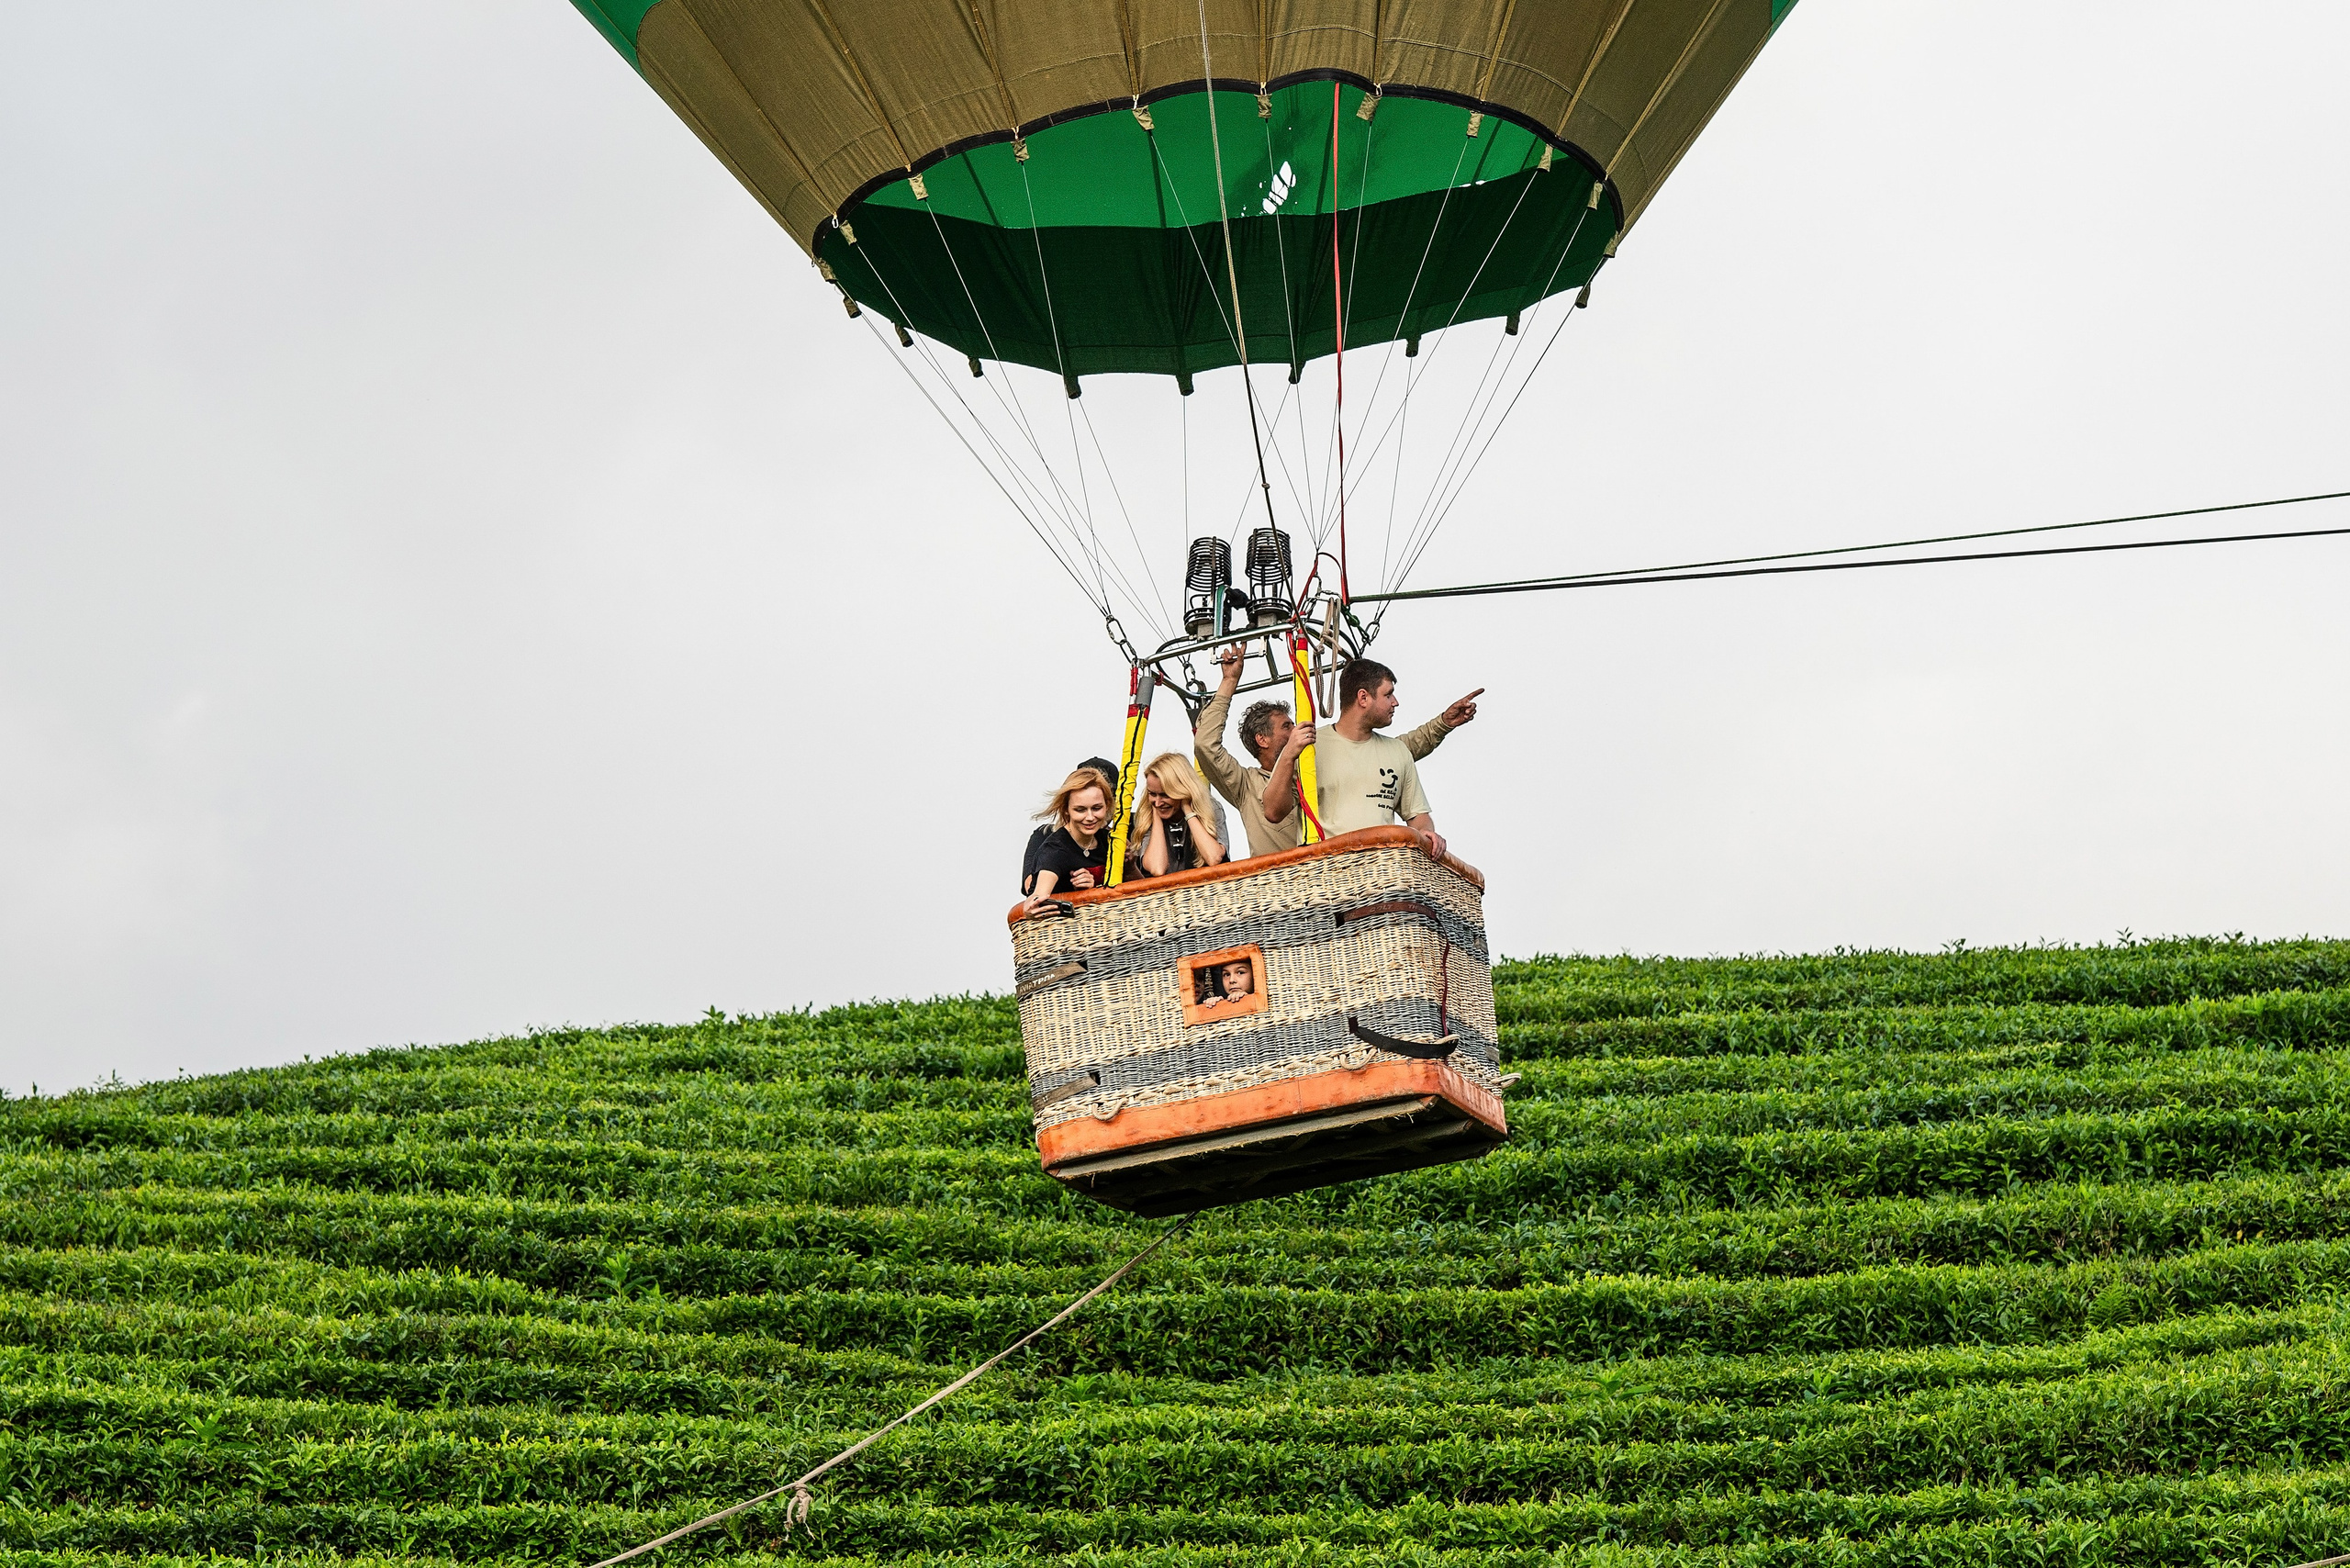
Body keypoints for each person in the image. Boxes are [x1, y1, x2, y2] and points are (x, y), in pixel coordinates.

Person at [1194, 644, 1480, 857]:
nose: (1297, 730)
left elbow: (1390, 753)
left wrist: (1443, 723)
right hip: (1283, 896)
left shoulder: (1319, 751)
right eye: (1286, 727)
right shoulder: (1248, 785)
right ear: (1262, 739)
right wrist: (1229, 682)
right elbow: (1206, 746)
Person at [1264, 658, 1450, 861]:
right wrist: (1288, 755)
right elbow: (1273, 812)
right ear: (1363, 698)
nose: (1395, 702)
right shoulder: (1309, 747)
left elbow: (1417, 815)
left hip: (1383, 875)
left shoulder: (1398, 751)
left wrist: (1426, 833)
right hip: (1327, 875)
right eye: (1388, 694)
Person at [1022, 766, 1113, 913]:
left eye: (1096, 808)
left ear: (1107, 805)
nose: (1090, 817)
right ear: (1066, 809)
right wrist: (1030, 907)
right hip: (1061, 930)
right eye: (1080, 810)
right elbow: (1037, 896)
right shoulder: (1056, 849)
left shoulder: (1108, 841)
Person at [1123, 753, 1227, 879]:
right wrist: (1156, 814)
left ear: (1182, 791)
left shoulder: (1210, 808)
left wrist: (1187, 809)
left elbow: (1213, 857)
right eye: (1152, 794)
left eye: (1165, 795)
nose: (1157, 802)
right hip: (1165, 897)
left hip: (1206, 893)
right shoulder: (1146, 814)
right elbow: (1157, 868)